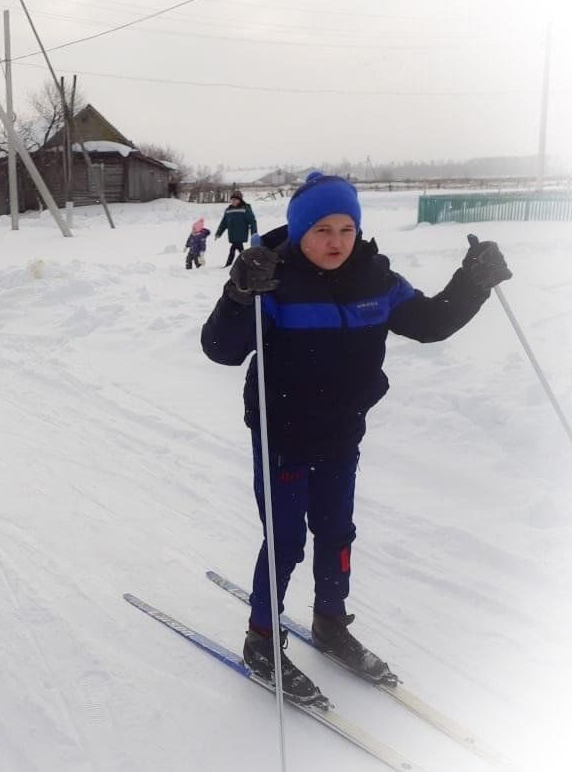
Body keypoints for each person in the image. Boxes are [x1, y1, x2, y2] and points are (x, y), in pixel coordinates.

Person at [200, 172, 512, 703]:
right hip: (283, 433)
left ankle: (329, 621)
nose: (336, 240)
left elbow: (431, 322)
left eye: (347, 227)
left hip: (342, 431)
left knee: (336, 530)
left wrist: (474, 281)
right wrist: (238, 294)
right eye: (322, 228)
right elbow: (222, 349)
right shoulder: (272, 280)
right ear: (299, 232)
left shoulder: (376, 280)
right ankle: (260, 638)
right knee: (286, 540)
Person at [214, 190, 258, 268]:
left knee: (233, 249)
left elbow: (252, 221)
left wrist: (253, 233)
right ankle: (248, 263)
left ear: (240, 200)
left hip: (241, 233)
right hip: (232, 234)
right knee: (239, 249)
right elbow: (224, 223)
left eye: (235, 199)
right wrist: (218, 233)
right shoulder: (228, 210)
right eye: (232, 199)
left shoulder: (245, 208)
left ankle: (229, 264)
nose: (233, 201)